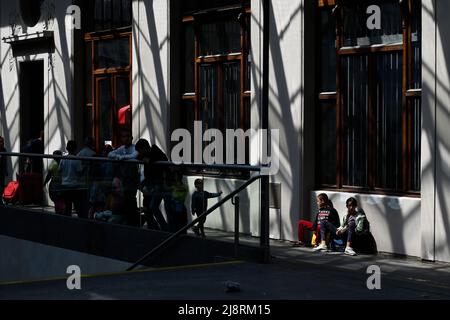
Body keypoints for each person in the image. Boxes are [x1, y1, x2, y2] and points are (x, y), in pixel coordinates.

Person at [135, 138, 169, 231]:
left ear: (144, 148)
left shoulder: (155, 152)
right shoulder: (149, 154)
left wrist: (149, 161)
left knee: (152, 207)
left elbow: (163, 161)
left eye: (140, 151)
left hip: (158, 184)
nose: (139, 153)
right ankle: (159, 227)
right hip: (153, 183)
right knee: (150, 207)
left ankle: (163, 228)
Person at [108, 130, 140, 226]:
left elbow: (134, 156)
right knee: (125, 203)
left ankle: (133, 224)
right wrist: (120, 156)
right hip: (124, 182)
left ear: (131, 138)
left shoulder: (135, 148)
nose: (125, 138)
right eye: (123, 136)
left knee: (131, 202)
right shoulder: (122, 148)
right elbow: (110, 154)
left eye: (127, 136)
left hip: (131, 182)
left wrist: (121, 157)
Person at [0, 136, 7, 204]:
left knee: (2, 185)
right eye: (1, 142)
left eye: (3, 142)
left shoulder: (4, 150)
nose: (3, 143)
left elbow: (5, 162)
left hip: (2, 171)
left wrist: (6, 171)